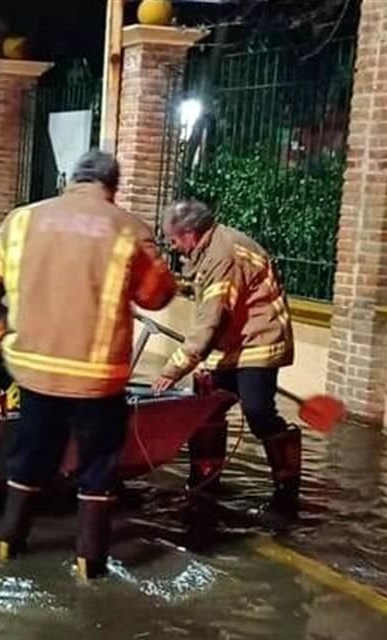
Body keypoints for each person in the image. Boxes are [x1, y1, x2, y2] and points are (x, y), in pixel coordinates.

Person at [0, 150, 177, 579]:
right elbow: (157, 296)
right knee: (97, 471)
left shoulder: (23, 220)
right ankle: (89, 565)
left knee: (28, 459)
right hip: (98, 381)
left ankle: (10, 546)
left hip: (33, 372)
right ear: (111, 187)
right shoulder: (127, 230)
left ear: (71, 179)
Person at [152, 200, 298, 511]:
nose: (173, 248)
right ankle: (203, 481)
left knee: (258, 412)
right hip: (230, 342)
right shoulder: (210, 249)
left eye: (174, 240)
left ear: (190, 233)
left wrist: (173, 369)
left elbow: (212, 318)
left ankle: (286, 487)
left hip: (259, 340)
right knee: (206, 406)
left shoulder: (223, 254)